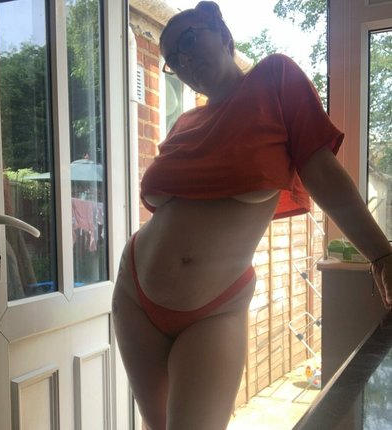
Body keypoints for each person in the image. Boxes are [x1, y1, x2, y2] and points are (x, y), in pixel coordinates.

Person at [112, 2, 392, 429]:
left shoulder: (274, 79)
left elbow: (322, 173)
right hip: (134, 293)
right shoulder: (185, 123)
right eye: (172, 59)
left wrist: (382, 255)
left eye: (189, 40)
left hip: (214, 308)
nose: (182, 60)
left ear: (225, 36)